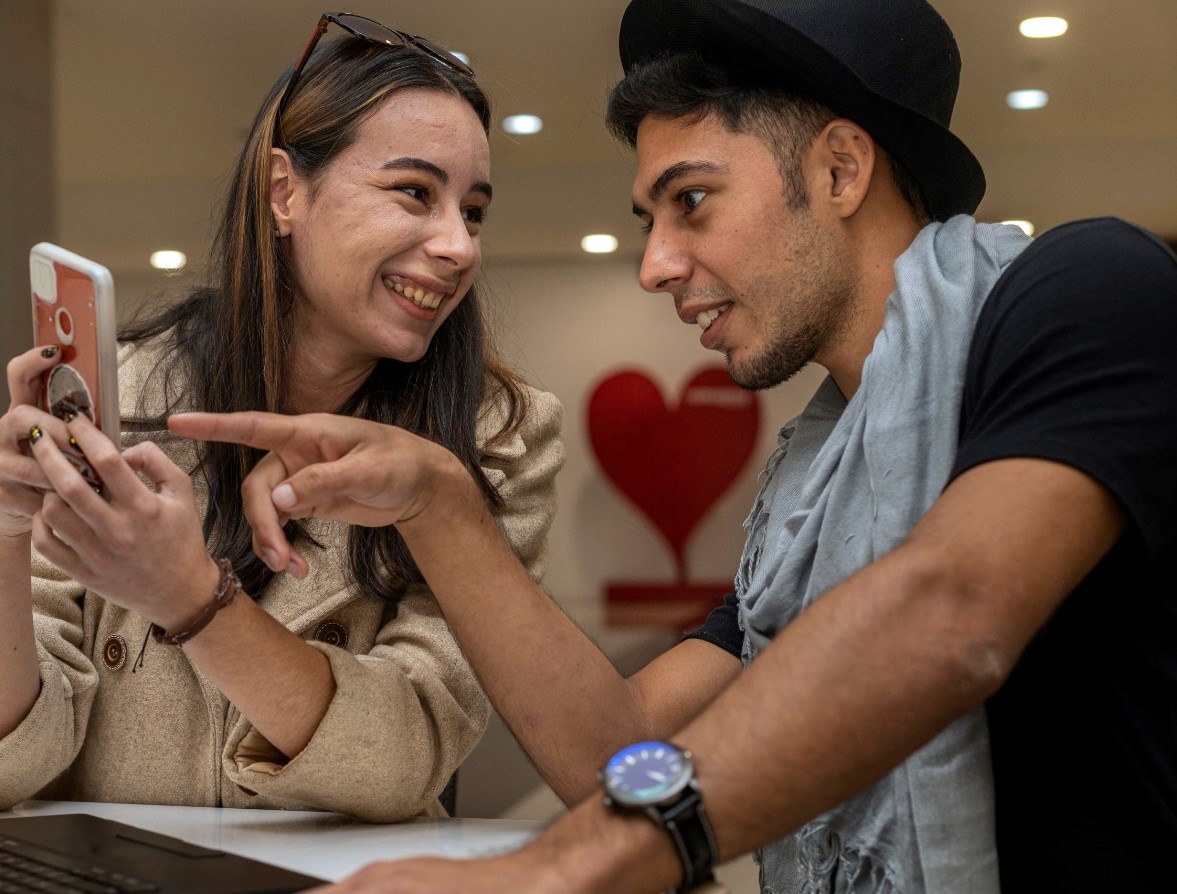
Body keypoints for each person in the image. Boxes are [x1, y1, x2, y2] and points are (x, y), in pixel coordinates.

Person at [171, 0, 1177, 889]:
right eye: (650, 216)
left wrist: (558, 869)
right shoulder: (812, 501)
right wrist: (443, 504)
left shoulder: (1088, 289)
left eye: (692, 201)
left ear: (839, 169)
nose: (656, 264)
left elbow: (952, 608)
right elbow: (624, 744)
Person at [0, 13, 563, 824]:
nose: (458, 246)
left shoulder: (498, 433)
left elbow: (405, 756)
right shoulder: (122, 385)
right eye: (413, 192)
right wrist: (1, 534)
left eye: (472, 211)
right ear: (284, 191)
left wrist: (188, 597)